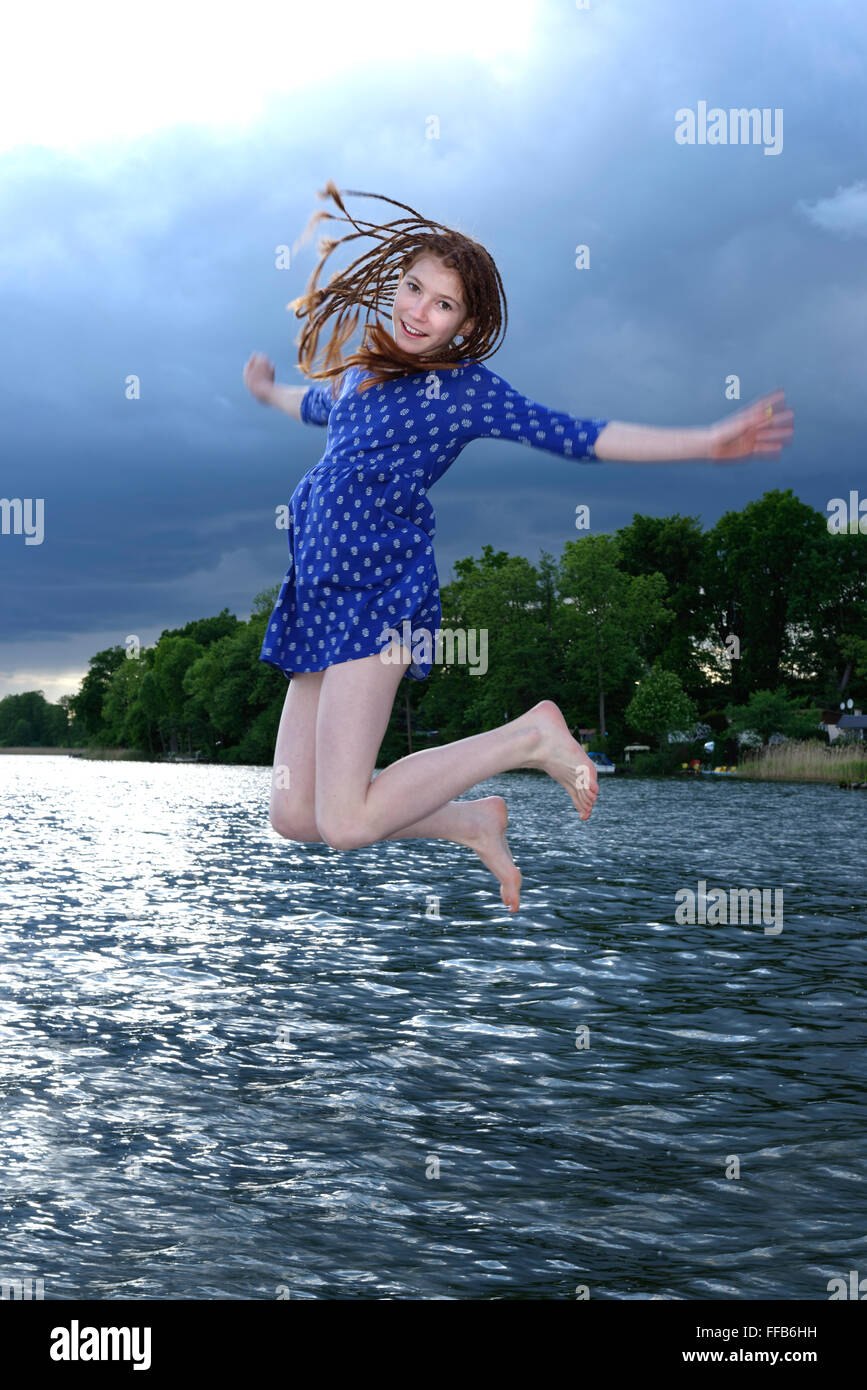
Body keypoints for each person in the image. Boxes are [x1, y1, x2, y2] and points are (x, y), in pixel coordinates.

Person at [243, 183, 793, 914]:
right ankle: (470, 820)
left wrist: (704, 440)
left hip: (376, 596)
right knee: (294, 816)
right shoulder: (358, 374)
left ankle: (527, 737)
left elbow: (579, 434)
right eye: (413, 288)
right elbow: (311, 406)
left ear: (465, 325)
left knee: (343, 821)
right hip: (314, 595)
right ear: (395, 285)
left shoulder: (465, 391)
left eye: (442, 304)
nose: (418, 311)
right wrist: (267, 391)